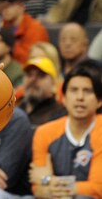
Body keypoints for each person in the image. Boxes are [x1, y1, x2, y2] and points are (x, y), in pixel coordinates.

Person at [29, 61, 102, 198]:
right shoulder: (44, 132)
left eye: (88, 91)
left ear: (99, 101)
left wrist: (49, 180)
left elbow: (97, 189)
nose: (80, 97)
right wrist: (50, 188)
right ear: (63, 98)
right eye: (74, 90)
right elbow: (38, 190)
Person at [19, 57, 65, 128]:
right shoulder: (14, 109)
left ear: (53, 82)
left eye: (41, 75)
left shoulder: (60, 115)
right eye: (29, 75)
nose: (33, 80)